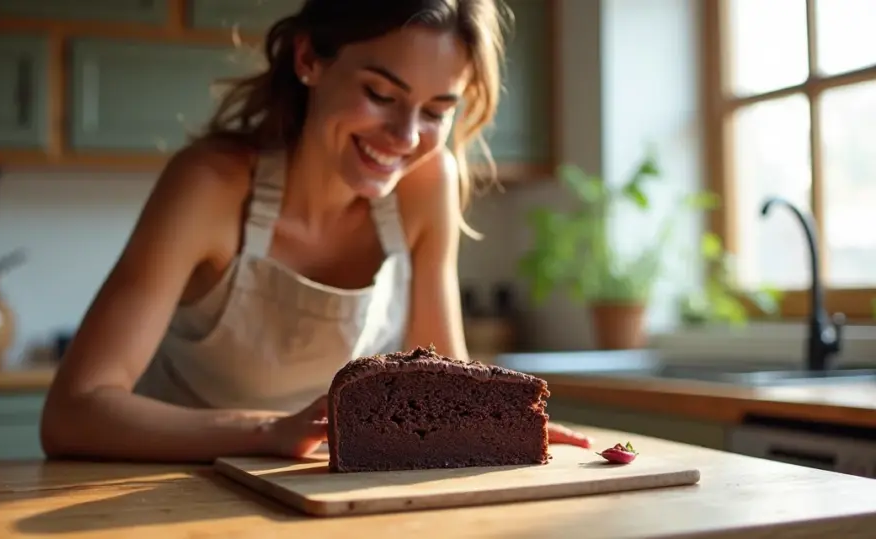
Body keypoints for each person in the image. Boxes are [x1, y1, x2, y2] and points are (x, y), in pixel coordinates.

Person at [40, 0, 591, 463]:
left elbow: (445, 381)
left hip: (324, 496)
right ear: (309, 59)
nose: (405, 137)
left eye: (436, 110)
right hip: (170, 491)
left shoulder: (426, 184)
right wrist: (267, 431)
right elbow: (74, 411)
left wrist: (506, 424)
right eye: (381, 94)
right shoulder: (210, 185)